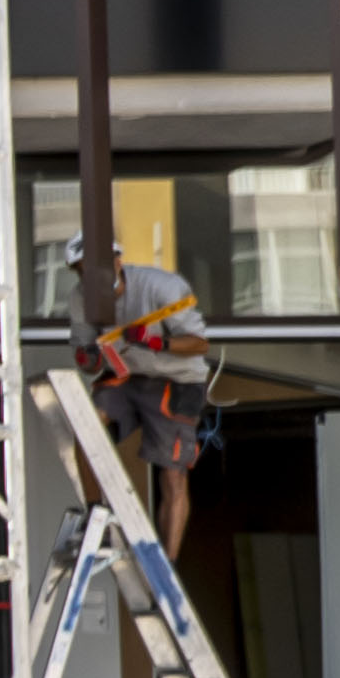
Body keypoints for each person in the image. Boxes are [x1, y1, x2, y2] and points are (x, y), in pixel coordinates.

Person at [67, 230, 213, 554]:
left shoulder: (162, 287)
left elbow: (199, 344)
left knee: (172, 474)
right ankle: (96, 516)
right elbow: (86, 354)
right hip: (128, 375)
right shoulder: (81, 298)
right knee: (86, 425)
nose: (90, 281)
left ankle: (168, 564)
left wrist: (154, 341)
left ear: (117, 262)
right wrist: (88, 359)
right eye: (82, 273)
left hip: (177, 380)